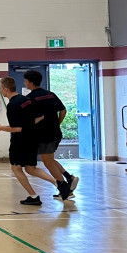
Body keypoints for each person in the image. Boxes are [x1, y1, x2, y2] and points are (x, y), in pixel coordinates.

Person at [0, 76, 58, 205]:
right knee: (30, 168)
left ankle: (33, 197)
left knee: (16, 168)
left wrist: (0, 128)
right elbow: (38, 118)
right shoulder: (27, 99)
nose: (1, 91)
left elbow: (17, 129)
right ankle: (59, 183)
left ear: (6, 89)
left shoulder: (12, 105)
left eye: (1, 88)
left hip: (20, 141)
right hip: (33, 138)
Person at [24, 70, 78, 200]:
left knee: (47, 162)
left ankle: (65, 191)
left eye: (25, 81)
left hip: (44, 135)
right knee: (49, 159)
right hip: (55, 133)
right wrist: (57, 123)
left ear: (30, 83)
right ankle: (68, 177)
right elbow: (63, 110)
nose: (25, 83)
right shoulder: (51, 94)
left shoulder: (30, 98)